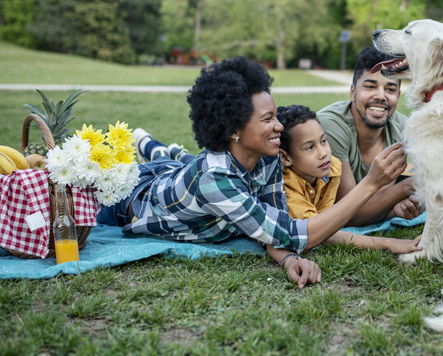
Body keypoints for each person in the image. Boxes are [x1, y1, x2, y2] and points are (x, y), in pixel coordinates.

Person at [96, 56, 408, 288]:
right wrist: (371, 184)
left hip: (179, 174)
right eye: (268, 119)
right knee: (148, 172)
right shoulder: (215, 180)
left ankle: (155, 146)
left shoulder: (268, 156)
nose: (279, 126)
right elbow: (298, 233)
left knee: (178, 161)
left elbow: (273, 222)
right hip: (131, 202)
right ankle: (150, 147)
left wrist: (288, 259)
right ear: (233, 129)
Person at [276, 104, 422, 253]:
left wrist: (392, 212)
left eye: (323, 141)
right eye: (309, 148)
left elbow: (332, 218)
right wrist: (387, 243)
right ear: (285, 157)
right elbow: (317, 233)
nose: (323, 153)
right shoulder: (286, 186)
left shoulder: (332, 168)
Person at [317, 47, 423, 227]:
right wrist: (408, 187)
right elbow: (349, 214)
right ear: (352, 92)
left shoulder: (403, 129)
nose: (381, 96)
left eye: (390, 89)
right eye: (370, 86)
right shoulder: (330, 127)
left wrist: (394, 209)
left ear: (397, 96)